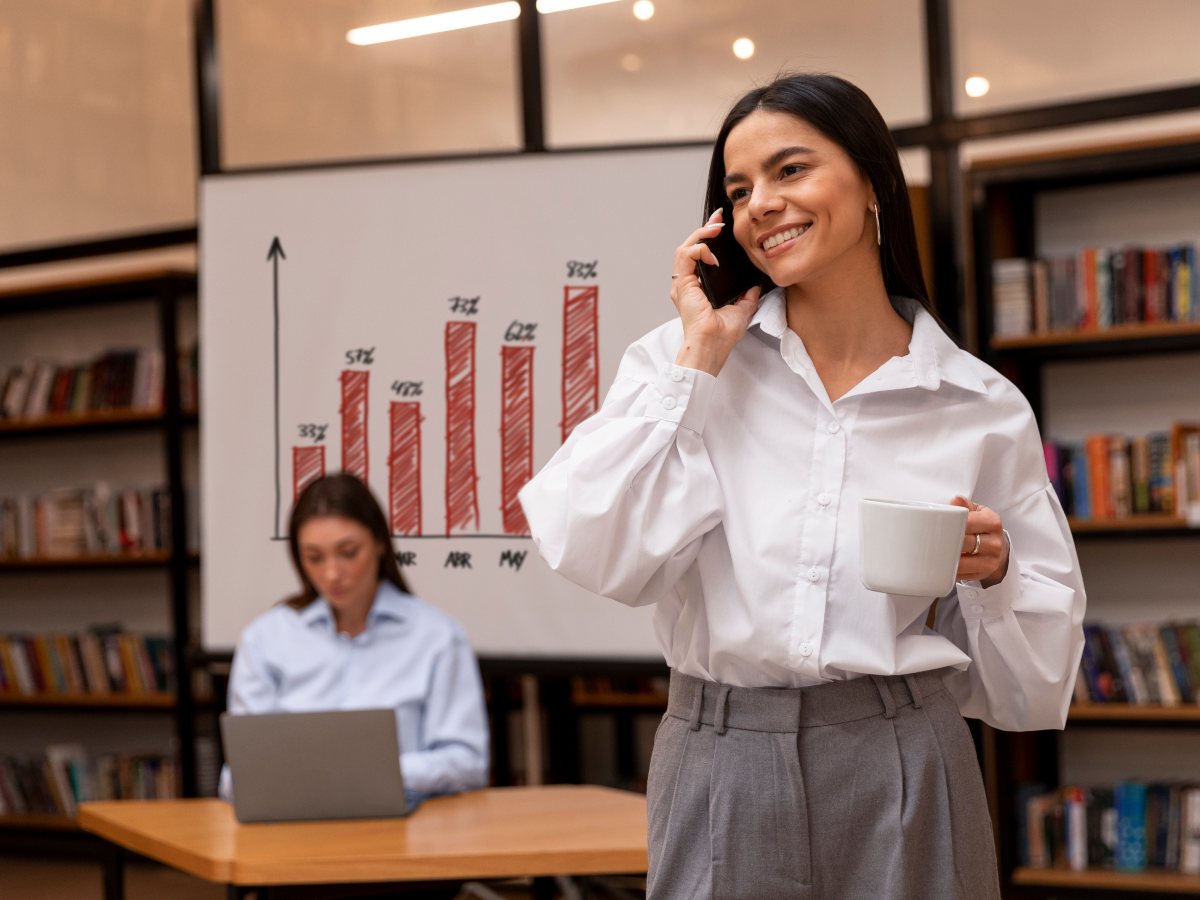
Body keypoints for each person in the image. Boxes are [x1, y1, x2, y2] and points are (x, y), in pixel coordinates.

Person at [519, 73, 1085, 899]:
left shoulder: (977, 406)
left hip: (907, 758)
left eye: (791, 171)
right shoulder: (678, 364)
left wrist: (994, 577)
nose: (761, 205)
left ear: (873, 180)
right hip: (717, 755)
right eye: (739, 189)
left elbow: (1033, 686)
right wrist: (699, 364)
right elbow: (590, 546)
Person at [219, 473, 489, 804]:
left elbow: (468, 761)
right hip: (292, 832)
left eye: (348, 552)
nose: (332, 573)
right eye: (314, 557)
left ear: (379, 543)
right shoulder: (265, 639)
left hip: (406, 832)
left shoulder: (437, 636)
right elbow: (237, 776)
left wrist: (374, 773)